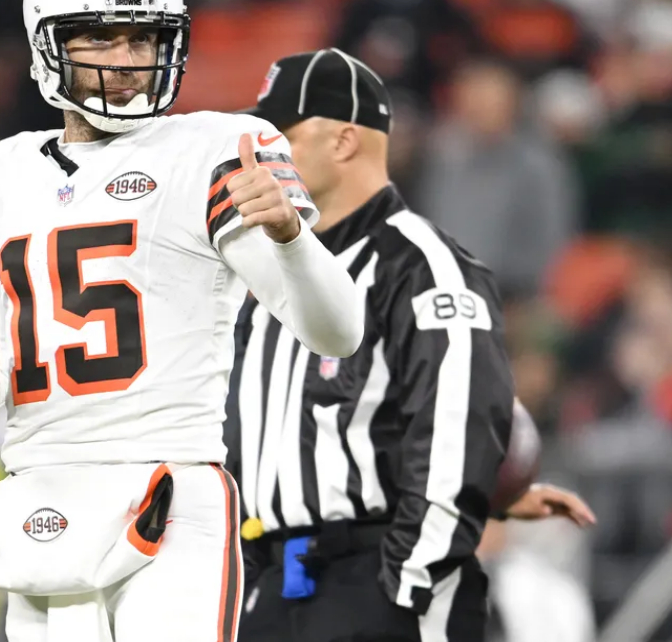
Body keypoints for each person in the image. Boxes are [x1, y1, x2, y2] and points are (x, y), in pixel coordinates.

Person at [0, 0, 365, 641]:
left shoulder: (217, 149)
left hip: (168, 489)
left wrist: (294, 242)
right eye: (101, 39)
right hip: (38, 493)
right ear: (47, 43)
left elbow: (339, 331)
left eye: (143, 39)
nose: (127, 61)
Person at [225, 49, 595, 642]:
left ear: (344, 142)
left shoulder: (423, 264)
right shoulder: (269, 269)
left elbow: (457, 424)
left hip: (375, 582)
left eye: (280, 135)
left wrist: (409, 580)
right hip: (274, 583)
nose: (261, 152)